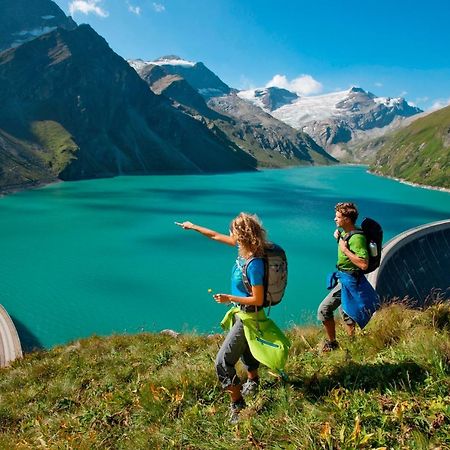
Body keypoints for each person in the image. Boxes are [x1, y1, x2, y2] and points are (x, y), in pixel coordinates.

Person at [175, 213, 267, 423]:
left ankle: (237, 404)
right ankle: (253, 381)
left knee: (223, 361)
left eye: (233, 230)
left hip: (248, 315)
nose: (229, 234)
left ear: (242, 234)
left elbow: (258, 298)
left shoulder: (254, 263)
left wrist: (229, 298)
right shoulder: (243, 251)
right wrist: (193, 226)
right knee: (245, 348)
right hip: (241, 312)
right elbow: (215, 236)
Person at [317, 202, 379, 352]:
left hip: (350, 280)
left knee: (324, 310)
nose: (334, 219)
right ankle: (351, 344)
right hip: (344, 278)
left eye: (338, 217)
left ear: (347, 220)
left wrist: (344, 249)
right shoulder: (346, 233)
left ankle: (335, 344)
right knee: (346, 312)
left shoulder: (357, 238)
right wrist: (339, 240)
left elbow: (363, 264)